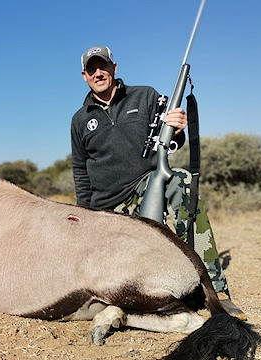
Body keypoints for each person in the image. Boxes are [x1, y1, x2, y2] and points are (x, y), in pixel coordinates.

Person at [70, 45, 246, 320]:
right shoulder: (80, 120)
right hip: (105, 208)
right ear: (84, 76)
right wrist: (84, 215)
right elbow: (80, 169)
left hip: (145, 186)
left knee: (183, 181)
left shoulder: (146, 95)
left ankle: (217, 290)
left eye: (103, 66)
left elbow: (171, 143)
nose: (98, 73)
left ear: (114, 68)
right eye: (91, 69)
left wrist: (177, 129)